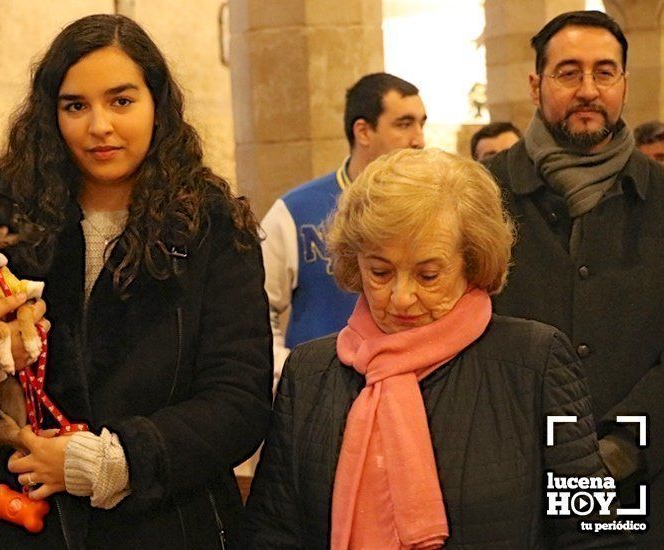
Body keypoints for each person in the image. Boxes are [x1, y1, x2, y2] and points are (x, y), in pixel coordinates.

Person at [0, 14, 272, 549]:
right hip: (8, 520)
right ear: (50, 114)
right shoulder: (4, 214)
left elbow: (239, 399)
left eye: (121, 101)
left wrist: (115, 459)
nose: (99, 125)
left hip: (161, 523)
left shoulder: (211, 225)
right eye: (75, 105)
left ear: (158, 105)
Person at [242, 148, 627, 548]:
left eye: (428, 275)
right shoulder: (309, 372)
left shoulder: (536, 363)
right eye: (380, 272)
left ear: (473, 262)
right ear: (354, 262)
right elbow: (272, 530)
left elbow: (592, 532)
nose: (401, 296)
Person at [486, 11, 664, 546]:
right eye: (569, 72)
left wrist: (619, 450)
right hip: (509, 482)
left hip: (642, 482)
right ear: (537, 84)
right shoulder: (481, 195)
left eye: (604, 72)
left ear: (624, 84)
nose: (588, 89)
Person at [261, 73, 426, 388]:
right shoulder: (295, 211)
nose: (419, 139)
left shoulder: (435, 209)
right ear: (363, 131)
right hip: (325, 389)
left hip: (417, 385)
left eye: (421, 124)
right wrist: (290, 372)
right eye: (404, 124)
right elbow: (254, 309)